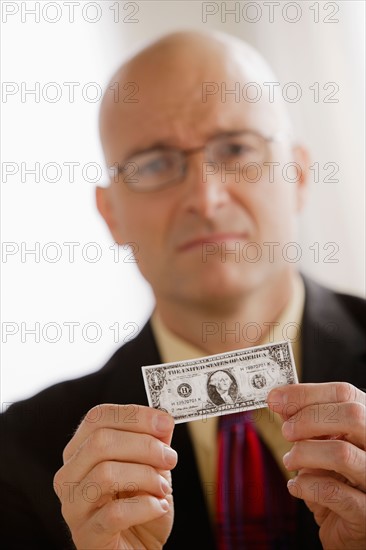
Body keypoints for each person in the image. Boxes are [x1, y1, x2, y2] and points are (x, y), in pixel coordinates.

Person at [1, 30, 365, 550]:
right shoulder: (23, 453)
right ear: (111, 214)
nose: (206, 197)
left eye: (236, 147)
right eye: (154, 164)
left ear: (299, 174)